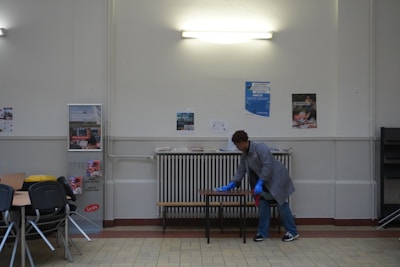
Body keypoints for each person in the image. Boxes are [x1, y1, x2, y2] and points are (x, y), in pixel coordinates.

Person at [215, 130, 299, 242]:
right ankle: (263, 233)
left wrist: (260, 182)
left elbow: (267, 166)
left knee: (281, 204)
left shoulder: (260, 147)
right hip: (263, 182)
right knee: (263, 204)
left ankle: (292, 232)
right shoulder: (245, 154)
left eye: (237, 145)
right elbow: (241, 170)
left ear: (242, 142)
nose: (236, 147)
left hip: (277, 179)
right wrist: (232, 183)